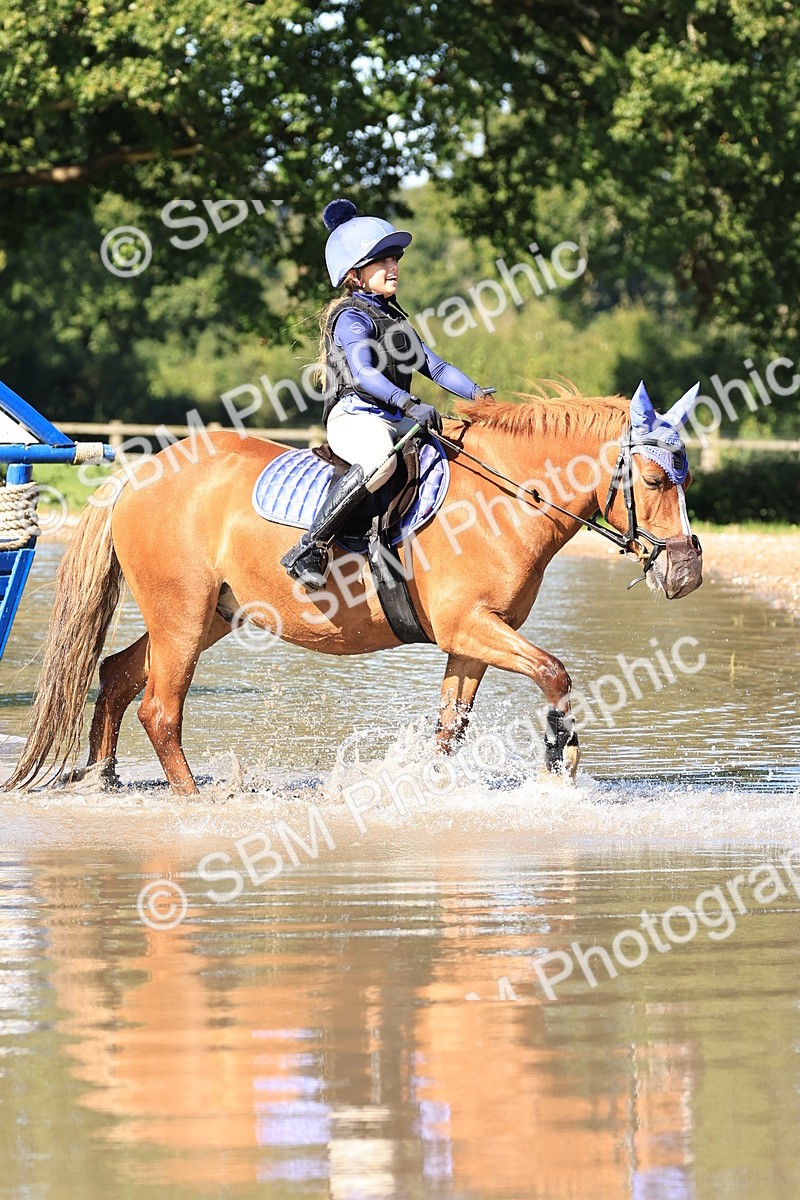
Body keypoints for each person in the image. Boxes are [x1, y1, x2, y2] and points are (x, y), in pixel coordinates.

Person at [281, 198, 495, 588]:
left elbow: (437, 367)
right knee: (381, 460)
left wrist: (480, 396)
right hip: (357, 417)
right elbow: (362, 374)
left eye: (394, 259)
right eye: (381, 261)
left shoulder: (394, 318)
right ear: (355, 274)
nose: (393, 267)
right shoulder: (351, 317)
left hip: (395, 416)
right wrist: (408, 402)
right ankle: (311, 546)